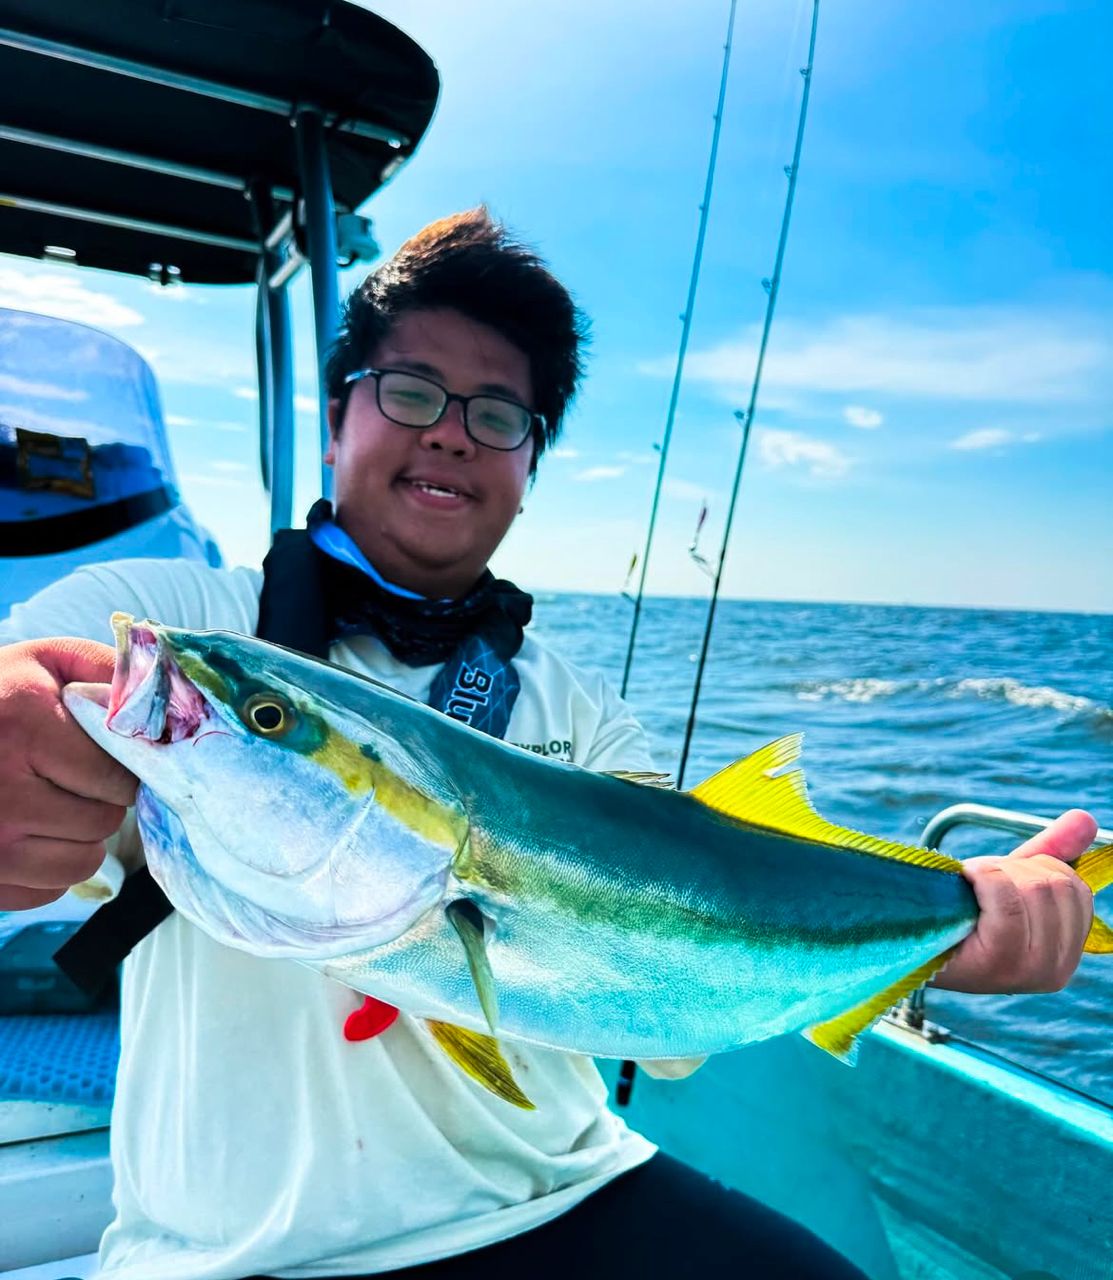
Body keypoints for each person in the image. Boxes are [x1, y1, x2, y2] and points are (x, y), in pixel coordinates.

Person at [0, 209, 1097, 1280]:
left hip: (575, 1190)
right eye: (411, 391)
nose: (449, 431)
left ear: (531, 468)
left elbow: (670, 1028)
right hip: (246, 1251)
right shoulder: (178, 624)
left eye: (499, 416)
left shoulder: (577, 714)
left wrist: (951, 926)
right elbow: (33, 684)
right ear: (338, 420)